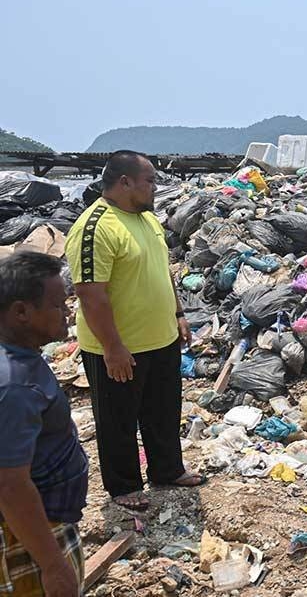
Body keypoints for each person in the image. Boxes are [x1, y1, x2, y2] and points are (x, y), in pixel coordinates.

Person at [65, 150, 203, 512]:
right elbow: (90, 295)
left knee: (163, 411)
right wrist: (113, 348)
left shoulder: (147, 219)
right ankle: (124, 485)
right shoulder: (95, 227)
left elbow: (164, 270)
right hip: (119, 346)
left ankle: (167, 469)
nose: (155, 188)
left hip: (161, 339)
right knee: (118, 420)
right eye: (150, 181)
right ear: (125, 182)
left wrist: (178, 314)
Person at [0, 252, 88, 597]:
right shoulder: (14, 386)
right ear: (21, 312)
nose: (67, 313)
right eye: (57, 305)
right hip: (34, 533)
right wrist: (53, 565)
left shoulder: (21, 358)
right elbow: (10, 485)